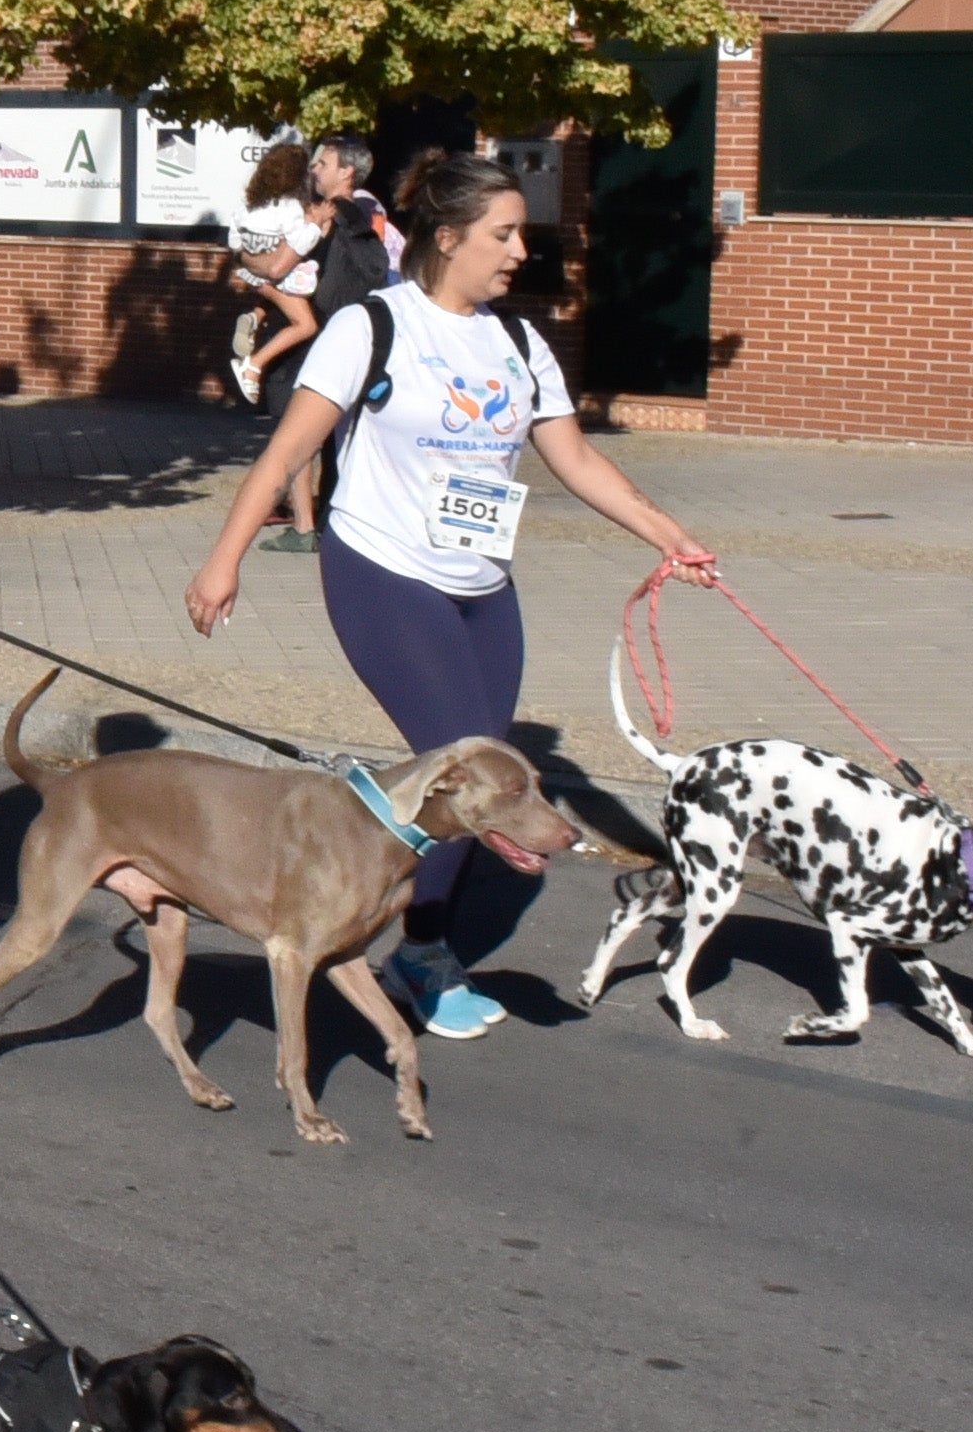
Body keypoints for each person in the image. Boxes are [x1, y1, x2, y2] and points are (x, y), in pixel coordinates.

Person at [183, 150, 717, 1039]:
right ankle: (420, 953)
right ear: (447, 237)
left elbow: (574, 458)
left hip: (483, 584)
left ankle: (389, 926)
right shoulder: (371, 327)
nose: (517, 254)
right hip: (381, 570)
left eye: (520, 237)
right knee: (461, 768)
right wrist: (224, 559)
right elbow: (286, 454)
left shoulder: (517, 341)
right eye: (502, 236)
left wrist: (669, 535)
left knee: (479, 770)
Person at [222, 138, 323, 412]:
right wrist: (315, 226)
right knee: (306, 325)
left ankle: (254, 317)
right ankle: (253, 366)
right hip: (280, 278)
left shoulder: (247, 207)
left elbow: (234, 243)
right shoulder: (290, 208)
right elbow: (299, 244)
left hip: (254, 276)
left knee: (276, 297)